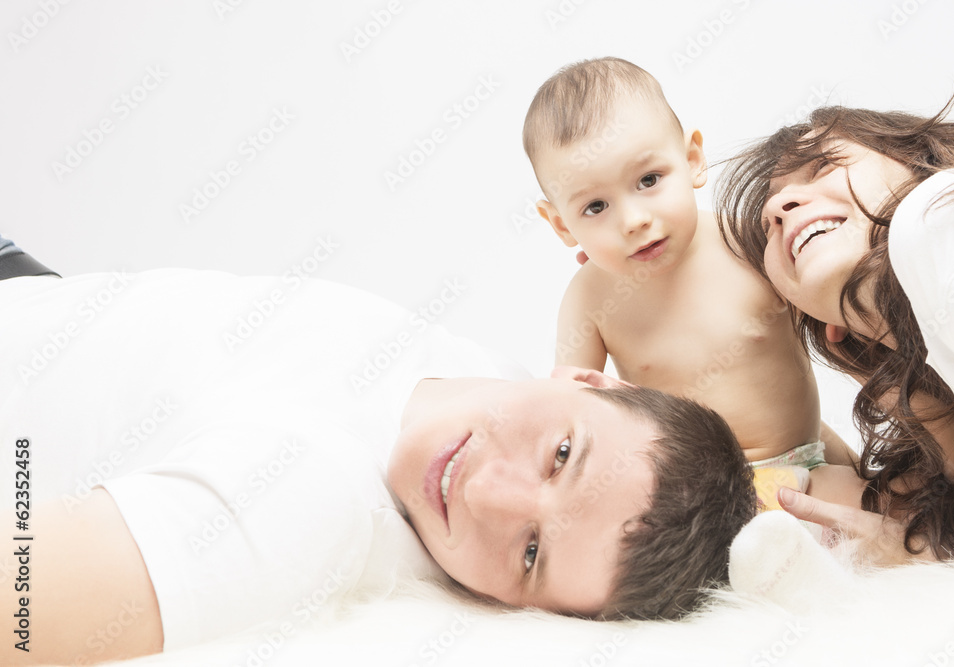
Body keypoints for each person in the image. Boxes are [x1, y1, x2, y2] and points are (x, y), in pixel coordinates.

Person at [0, 266, 761, 665]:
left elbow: (22, 611)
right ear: (591, 379)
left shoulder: (309, 502)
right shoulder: (482, 374)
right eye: (561, 456)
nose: (486, 493)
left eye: (531, 553)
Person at [521, 57, 857, 488]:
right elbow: (573, 410)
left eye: (648, 180)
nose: (634, 220)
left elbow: (833, 311)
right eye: (596, 207)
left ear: (692, 159)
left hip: (806, 452)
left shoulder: (746, 241)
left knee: (882, 498)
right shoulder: (590, 300)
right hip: (700, 494)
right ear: (562, 225)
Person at [717, 99, 954, 561]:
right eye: (770, 225)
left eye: (823, 165)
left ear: (918, 164)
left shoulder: (938, 209)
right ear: (831, 327)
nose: (779, 207)